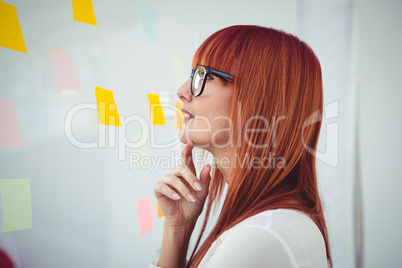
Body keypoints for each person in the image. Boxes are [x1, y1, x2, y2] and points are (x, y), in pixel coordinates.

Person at [151, 25, 332, 268]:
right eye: (193, 74)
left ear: (259, 98)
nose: (182, 91)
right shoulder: (272, 224)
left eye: (204, 76)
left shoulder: (260, 236)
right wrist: (177, 230)